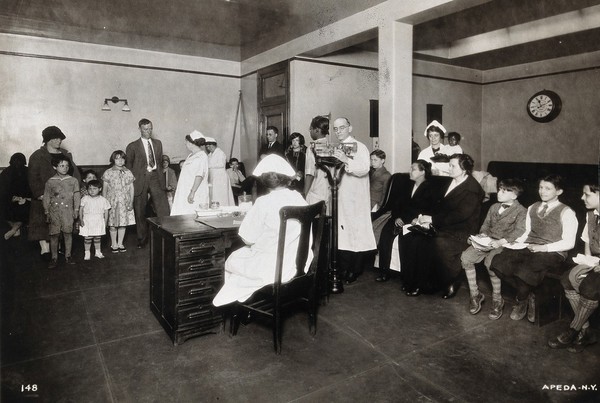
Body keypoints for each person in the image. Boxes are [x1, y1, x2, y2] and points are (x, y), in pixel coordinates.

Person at [213, 155, 308, 306]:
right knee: (243, 257)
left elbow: (248, 239)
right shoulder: (298, 197)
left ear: (264, 180)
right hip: (299, 262)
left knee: (231, 258)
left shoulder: (263, 202)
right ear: (286, 177)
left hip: (273, 267)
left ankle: (240, 308)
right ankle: (249, 300)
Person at [491, 174, 578, 323]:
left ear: (559, 192)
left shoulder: (567, 212)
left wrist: (544, 248)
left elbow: (569, 242)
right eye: (541, 187)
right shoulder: (533, 207)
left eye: (548, 189)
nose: (542, 191)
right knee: (498, 263)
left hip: (554, 251)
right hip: (530, 246)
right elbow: (527, 232)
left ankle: (520, 299)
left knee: (524, 270)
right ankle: (528, 294)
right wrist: (516, 242)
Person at [416, 154, 485, 298]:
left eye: (453, 166)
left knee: (439, 242)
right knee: (420, 237)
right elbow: (440, 205)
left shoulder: (472, 189)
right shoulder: (450, 182)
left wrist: (433, 220)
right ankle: (430, 282)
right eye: (450, 165)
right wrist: (425, 218)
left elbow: (460, 215)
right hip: (446, 225)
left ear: (464, 169)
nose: (450, 168)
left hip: (463, 231)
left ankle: (452, 280)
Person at [460, 179, 527, 319]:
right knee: (466, 258)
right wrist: (482, 235)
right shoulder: (494, 207)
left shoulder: (521, 211)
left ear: (514, 195)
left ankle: (497, 299)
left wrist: (500, 242)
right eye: (500, 189)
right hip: (488, 241)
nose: (499, 192)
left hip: (504, 244)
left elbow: (519, 231)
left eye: (504, 191)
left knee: (490, 263)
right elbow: (485, 225)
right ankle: (475, 295)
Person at [548, 182, 599, 351]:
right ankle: (586, 331)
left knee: (590, 288)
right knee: (567, 279)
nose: (582, 197)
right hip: (595, 259)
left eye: (587, 194)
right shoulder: (591, 213)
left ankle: (573, 330)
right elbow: (586, 239)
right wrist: (587, 260)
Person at [376, 160, 437, 284]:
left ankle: (407, 276)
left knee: (406, 240)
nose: (410, 171)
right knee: (385, 235)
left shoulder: (429, 188)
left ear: (422, 172)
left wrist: (406, 219)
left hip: (415, 221)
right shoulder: (407, 185)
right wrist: (397, 217)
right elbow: (398, 203)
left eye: (413, 169)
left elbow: (424, 209)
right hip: (399, 218)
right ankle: (384, 271)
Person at [331, 117, 376, 284]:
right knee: (343, 234)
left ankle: (354, 270)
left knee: (356, 233)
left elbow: (364, 168)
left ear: (350, 128)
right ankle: (343, 268)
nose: (339, 131)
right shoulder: (337, 147)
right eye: (335, 129)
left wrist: (345, 159)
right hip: (341, 196)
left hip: (355, 198)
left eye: (342, 128)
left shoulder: (360, 146)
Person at [28, 126, 80, 258]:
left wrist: (78, 190)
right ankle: (45, 248)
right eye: (56, 138)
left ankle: (59, 247)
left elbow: (75, 174)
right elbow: (33, 177)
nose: (59, 140)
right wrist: (40, 193)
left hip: (64, 195)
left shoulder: (65, 154)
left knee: (62, 220)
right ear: (48, 140)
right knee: (43, 220)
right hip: (45, 195)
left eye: (60, 138)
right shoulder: (37, 156)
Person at [125, 118, 170, 248]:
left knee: (163, 208)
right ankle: (141, 239)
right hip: (140, 180)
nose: (148, 131)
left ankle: (166, 237)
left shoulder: (158, 143)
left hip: (156, 177)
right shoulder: (132, 146)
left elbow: (160, 162)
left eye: (150, 129)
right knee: (140, 211)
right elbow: (129, 166)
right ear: (139, 129)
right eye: (145, 129)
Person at [43, 156, 80, 268]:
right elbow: (46, 197)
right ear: (55, 167)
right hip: (54, 211)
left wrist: (76, 209)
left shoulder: (73, 180)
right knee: (54, 235)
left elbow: (77, 196)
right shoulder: (50, 181)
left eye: (67, 166)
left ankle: (68, 256)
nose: (65, 168)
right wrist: (46, 211)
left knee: (68, 233)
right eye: (62, 166)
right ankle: (54, 258)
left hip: (68, 211)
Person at [102, 150, 136, 253]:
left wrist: (131, 202)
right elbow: (105, 189)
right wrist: (105, 203)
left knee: (122, 223)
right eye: (117, 159)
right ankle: (114, 243)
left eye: (122, 158)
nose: (120, 161)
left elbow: (131, 189)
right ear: (113, 160)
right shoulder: (108, 172)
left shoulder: (128, 172)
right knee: (112, 223)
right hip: (112, 201)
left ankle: (120, 243)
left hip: (124, 201)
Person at [171, 130, 209, 215]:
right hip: (185, 190)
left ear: (192, 143)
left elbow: (199, 176)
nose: (186, 144)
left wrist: (192, 192)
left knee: (192, 216)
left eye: (187, 142)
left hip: (195, 192)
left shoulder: (202, 156)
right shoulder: (190, 156)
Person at [0, 153, 31, 239]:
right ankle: (15, 229)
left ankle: (14, 230)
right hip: (10, 200)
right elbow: (2, 189)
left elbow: (31, 188)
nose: (17, 163)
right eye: (15, 161)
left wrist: (24, 198)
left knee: (24, 208)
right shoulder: (6, 172)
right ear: (11, 161)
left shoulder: (28, 171)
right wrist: (12, 198)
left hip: (25, 200)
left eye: (20, 161)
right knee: (4, 208)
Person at [79, 179, 111, 260]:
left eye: (94, 189)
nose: (92, 191)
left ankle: (98, 252)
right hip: (87, 220)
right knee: (88, 238)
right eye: (90, 189)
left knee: (97, 237)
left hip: (98, 220)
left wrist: (105, 222)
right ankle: (87, 252)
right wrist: (81, 219)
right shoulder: (85, 198)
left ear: (100, 189)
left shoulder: (103, 200)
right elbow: (81, 210)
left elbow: (106, 212)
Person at [304, 116, 331, 212]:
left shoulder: (312, 148)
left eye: (310, 129)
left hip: (315, 192)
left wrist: (304, 194)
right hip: (329, 191)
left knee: (313, 223)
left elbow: (310, 174)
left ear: (317, 130)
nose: (309, 131)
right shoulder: (331, 146)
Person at [205, 137, 235, 206]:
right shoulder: (209, 155)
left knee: (221, 195)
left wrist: (209, 165)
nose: (208, 148)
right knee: (214, 195)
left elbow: (221, 164)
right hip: (213, 177)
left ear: (213, 145)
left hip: (220, 177)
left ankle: (224, 208)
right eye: (207, 147)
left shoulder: (220, 153)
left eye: (209, 146)